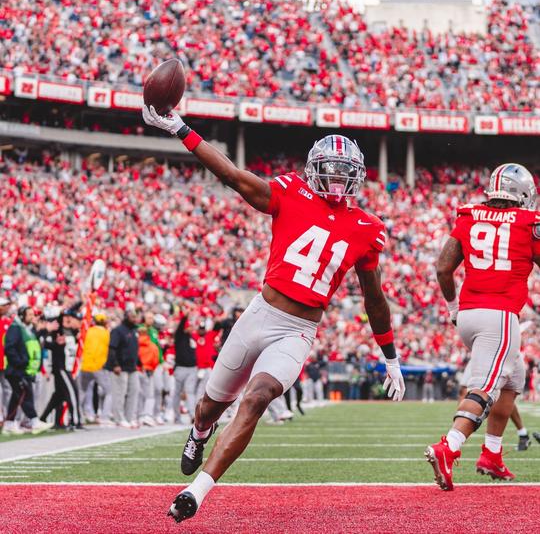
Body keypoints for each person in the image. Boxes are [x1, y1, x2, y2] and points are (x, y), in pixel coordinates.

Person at [143, 106, 405, 524]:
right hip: (259, 315)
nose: (337, 179)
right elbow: (232, 176)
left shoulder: (366, 227)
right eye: (331, 170)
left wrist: (390, 357)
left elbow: (374, 298)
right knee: (209, 407)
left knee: (258, 397)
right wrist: (180, 128)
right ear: (314, 170)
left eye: (345, 172)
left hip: (298, 330)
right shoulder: (289, 192)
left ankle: (198, 491)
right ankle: (199, 431)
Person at [426, 163, 540, 491]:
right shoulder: (528, 223)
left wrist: (452, 307)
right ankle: (449, 446)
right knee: (487, 387)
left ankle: (492, 454)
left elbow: (444, 268)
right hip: (500, 315)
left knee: (513, 378)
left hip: (468, 314)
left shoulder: (469, 215)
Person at [3, 306, 52, 435]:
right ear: (21, 316)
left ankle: (9, 423)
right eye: (29, 314)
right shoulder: (15, 328)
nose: (32, 317)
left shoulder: (25, 329)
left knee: (17, 396)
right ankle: (34, 421)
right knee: (26, 394)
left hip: (23, 369)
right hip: (17, 369)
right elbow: (10, 347)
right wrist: (20, 362)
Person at [40, 305, 84, 429]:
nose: (69, 319)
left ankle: (46, 419)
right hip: (61, 367)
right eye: (66, 317)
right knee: (72, 393)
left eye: (71, 317)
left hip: (67, 367)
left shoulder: (72, 331)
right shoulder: (57, 330)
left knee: (59, 396)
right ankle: (76, 421)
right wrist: (56, 343)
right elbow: (46, 344)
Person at [105, 305, 141, 428]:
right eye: (132, 316)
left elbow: (135, 350)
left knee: (134, 392)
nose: (134, 319)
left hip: (132, 367)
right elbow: (112, 348)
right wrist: (115, 364)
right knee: (119, 393)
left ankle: (129, 417)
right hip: (120, 367)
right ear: (126, 317)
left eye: (135, 316)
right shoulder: (118, 330)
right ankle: (119, 418)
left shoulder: (134, 331)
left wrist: (139, 364)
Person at [79, 313, 111, 424]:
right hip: (98, 366)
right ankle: (105, 417)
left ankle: (78, 414)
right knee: (109, 391)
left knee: (83, 391)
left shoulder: (88, 331)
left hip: (85, 365)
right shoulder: (106, 333)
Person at [137, 312, 163, 426]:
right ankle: (145, 415)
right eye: (149, 318)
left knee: (154, 390)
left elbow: (156, 348)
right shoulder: (140, 330)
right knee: (146, 393)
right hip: (146, 365)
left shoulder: (154, 331)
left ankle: (147, 414)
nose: (151, 320)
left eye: (152, 318)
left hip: (151, 365)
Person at [172, 313, 197, 423]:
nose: (190, 328)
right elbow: (180, 327)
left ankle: (192, 415)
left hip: (192, 368)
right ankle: (177, 416)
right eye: (188, 326)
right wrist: (185, 317)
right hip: (180, 368)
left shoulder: (192, 338)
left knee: (190, 392)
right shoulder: (179, 336)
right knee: (177, 392)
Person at [0, 297, 13, 426]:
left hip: (6, 361)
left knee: (7, 389)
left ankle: (7, 416)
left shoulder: (9, 322)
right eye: (4, 305)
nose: (6, 307)